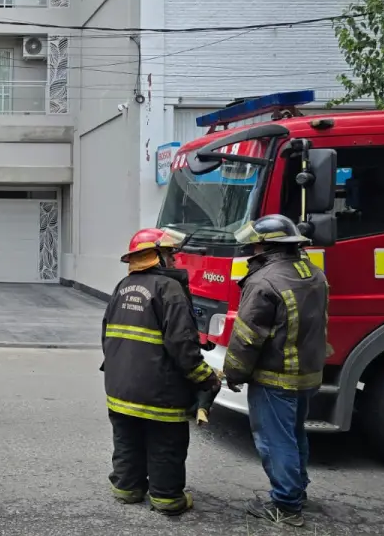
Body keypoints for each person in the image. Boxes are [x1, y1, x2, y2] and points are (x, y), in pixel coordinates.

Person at [102, 228, 220, 517]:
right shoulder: (170, 290)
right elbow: (182, 345)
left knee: (127, 439)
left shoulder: (122, 286)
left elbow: (107, 336)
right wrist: (205, 377)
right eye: (169, 254)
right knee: (165, 442)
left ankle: (127, 489)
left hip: (120, 386)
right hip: (160, 390)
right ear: (155, 257)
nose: (175, 260)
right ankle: (167, 498)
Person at [224, 215, 328, 528]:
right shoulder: (313, 272)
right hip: (307, 374)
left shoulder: (264, 282)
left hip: (275, 377)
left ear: (268, 246)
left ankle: (285, 505)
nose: (251, 249)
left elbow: (246, 338)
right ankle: (298, 491)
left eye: (254, 244)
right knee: (295, 434)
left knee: (275, 440)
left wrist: (234, 374)